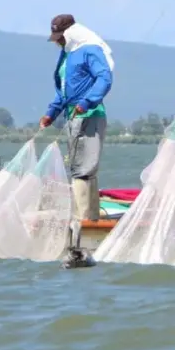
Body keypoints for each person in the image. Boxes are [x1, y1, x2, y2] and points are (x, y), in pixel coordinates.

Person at [39, 14, 114, 221]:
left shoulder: (89, 50)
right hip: (72, 115)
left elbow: (104, 77)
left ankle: (85, 221)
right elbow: (64, 89)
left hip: (89, 114)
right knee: (78, 165)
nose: (58, 42)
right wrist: (51, 113)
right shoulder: (67, 54)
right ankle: (88, 217)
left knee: (83, 167)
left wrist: (87, 102)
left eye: (61, 37)